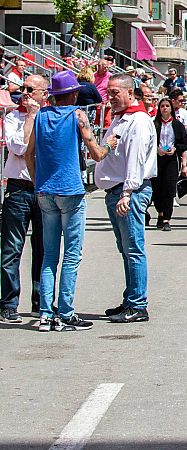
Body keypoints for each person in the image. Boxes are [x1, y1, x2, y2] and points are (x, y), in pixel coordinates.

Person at [24, 71, 107, 332]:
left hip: (45, 191)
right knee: (71, 254)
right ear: (72, 94)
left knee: (49, 255)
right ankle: (66, 313)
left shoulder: (40, 116)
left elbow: (29, 155)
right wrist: (112, 144)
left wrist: (39, 183)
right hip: (70, 190)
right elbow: (97, 152)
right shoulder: (77, 116)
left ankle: (46, 315)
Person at [95, 73, 158, 323]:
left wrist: (127, 193)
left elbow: (136, 160)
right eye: (108, 92)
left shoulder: (139, 120)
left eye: (115, 92)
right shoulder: (122, 119)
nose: (110, 97)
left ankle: (138, 304)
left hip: (129, 190)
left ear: (130, 93)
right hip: (118, 190)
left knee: (133, 249)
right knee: (126, 249)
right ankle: (131, 297)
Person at [0, 74, 46, 323]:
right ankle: (8, 303)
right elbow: (18, 148)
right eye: (24, 88)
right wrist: (29, 117)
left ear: (43, 94)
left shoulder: (49, 117)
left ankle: (40, 301)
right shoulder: (13, 117)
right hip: (18, 188)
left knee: (42, 247)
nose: (25, 92)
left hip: (42, 188)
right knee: (11, 249)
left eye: (31, 89)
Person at [152, 98, 187, 231]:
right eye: (162, 106)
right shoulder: (154, 124)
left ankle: (167, 218)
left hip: (172, 160)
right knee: (157, 189)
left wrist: (175, 149)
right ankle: (160, 213)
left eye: (167, 106)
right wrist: (157, 150)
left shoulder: (177, 125)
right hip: (157, 159)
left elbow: (185, 143)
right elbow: (148, 141)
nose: (165, 108)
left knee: (169, 189)